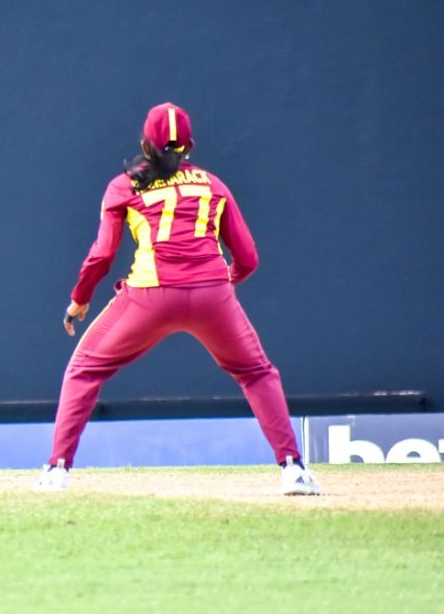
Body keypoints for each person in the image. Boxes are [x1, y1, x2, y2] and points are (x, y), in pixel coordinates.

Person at [33, 103, 320, 496]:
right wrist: (221, 287)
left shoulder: (125, 185)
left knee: (84, 371)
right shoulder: (213, 184)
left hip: (150, 296)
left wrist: (79, 299)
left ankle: (56, 470)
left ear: (144, 144)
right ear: (191, 145)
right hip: (213, 295)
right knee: (256, 373)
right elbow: (248, 258)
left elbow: (101, 256)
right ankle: (294, 469)